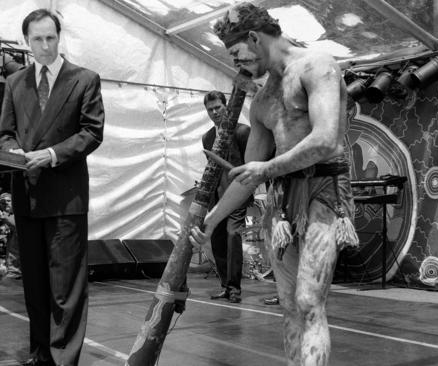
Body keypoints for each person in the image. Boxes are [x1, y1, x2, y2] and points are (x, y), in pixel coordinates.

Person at [190, 3, 358, 365]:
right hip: (282, 202)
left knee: (309, 301)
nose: (237, 65)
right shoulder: (263, 100)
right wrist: (213, 220)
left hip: (323, 192)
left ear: (254, 38)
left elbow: (326, 140)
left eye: (238, 54)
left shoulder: (318, 66)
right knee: (288, 305)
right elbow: (246, 176)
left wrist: (265, 170)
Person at [0, 8, 105, 366]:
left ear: (60, 38)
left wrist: (53, 154)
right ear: (25, 41)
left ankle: (63, 358)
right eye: (37, 39)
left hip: (66, 197)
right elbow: (5, 135)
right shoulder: (15, 83)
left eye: (50, 38)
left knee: (66, 288)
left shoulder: (85, 79)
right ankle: (40, 353)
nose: (44, 46)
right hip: (26, 195)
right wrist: (14, 152)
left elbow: (92, 132)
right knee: (35, 287)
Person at [202, 90, 251, 303]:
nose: (214, 112)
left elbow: (252, 164)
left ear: (226, 107)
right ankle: (225, 285)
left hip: (237, 196)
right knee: (218, 239)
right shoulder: (207, 137)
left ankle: (234, 289)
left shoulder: (242, 132)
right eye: (210, 109)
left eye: (218, 107)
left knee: (233, 236)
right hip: (216, 196)